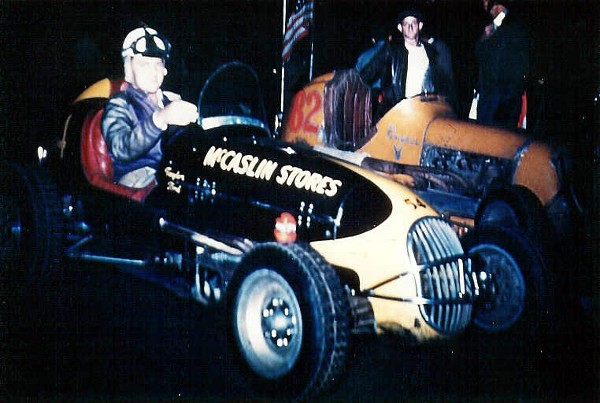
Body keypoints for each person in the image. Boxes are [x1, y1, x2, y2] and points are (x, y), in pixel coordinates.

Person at [102, 26, 198, 188]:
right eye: (144, 64)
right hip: (137, 177)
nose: (153, 72)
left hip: (174, 172)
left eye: (158, 64)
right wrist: (159, 119)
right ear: (129, 68)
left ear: (165, 69)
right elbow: (120, 148)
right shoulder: (119, 103)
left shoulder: (172, 102)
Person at [356, 8, 455, 118]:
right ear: (400, 28)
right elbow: (365, 76)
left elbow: (444, 84)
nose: (410, 27)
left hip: (425, 112)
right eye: (406, 24)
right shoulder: (391, 50)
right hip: (398, 113)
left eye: (413, 23)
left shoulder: (432, 52)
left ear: (420, 26)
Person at [475, 0, 529, 130]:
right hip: (491, 98)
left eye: (486, 2)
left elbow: (511, 63)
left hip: (503, 100)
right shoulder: (492, 27)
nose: (484, 5)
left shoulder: (513, 26)